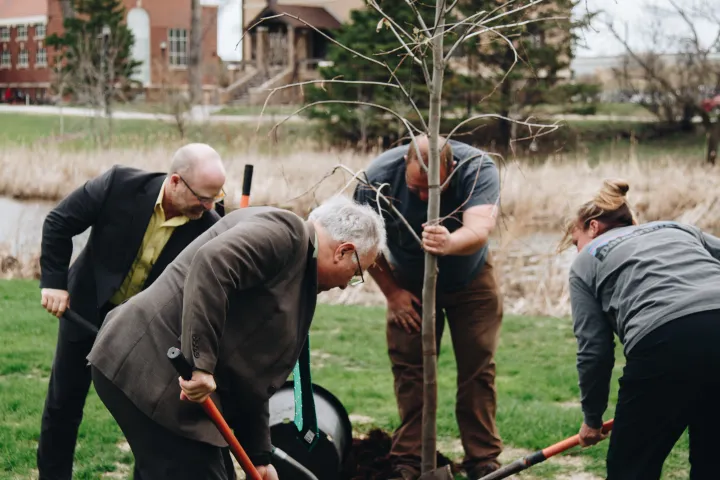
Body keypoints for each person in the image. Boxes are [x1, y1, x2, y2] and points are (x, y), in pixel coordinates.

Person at [86, 195, 387, 480]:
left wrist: (260, 457)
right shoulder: (285, 233)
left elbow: (254, 377)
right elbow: (211, 265)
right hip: (150, 369)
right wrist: (200, 364)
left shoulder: (301, 273)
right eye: (357, 271)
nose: (350, 284)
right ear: (343, 250)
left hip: (165, 380)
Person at [37, 143, 226, 480]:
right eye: (203, 197)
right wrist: (54, 282)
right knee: (62, 406)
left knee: (149, 418)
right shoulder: (118, 184)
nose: (210, 206)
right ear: (176, 182)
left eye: (215, 197)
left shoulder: (210, 225)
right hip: (86, 310)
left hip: (142, 329)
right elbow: (58, 222)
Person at [353, 134, 503, 479]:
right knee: (409, 367)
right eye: (415, 188)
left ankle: (482, 458)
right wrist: (392, 294)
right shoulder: (375, 180)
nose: (423, 197)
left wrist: (450, 242)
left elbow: (480, 228)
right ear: (403, 166)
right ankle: (409, 459)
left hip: (471, 279)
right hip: (408, 283)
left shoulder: (477, 168)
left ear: (450, 168)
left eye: (431, 189)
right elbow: (364, 245)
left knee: (478, 366)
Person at [560, 179, 720, 479]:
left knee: (631, 468)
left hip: (666, 341)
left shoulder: (587, 259)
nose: (576, 249)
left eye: (574, 240)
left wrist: (592, 419)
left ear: (592, 227)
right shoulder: (675, 228)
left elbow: (595, 350)